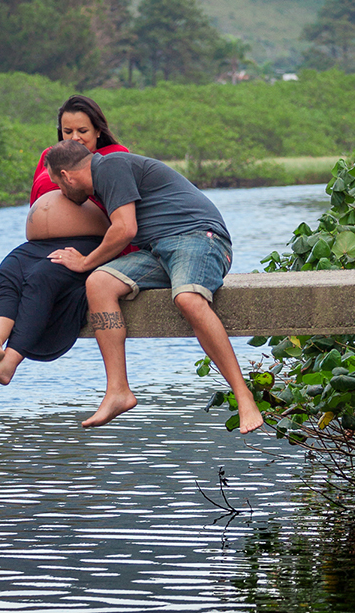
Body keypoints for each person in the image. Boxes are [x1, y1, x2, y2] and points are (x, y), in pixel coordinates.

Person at [43, 139, 265, 434]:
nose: (61, 192)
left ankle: (243, 395)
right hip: (158, 250)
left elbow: (125, 229)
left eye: (58, 185)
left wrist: (85, 262)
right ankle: (118, 391)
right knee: (98, 284)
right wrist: (91, 269)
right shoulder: (107, 176)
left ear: (66, 176)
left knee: (187, 298)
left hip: (199, 236)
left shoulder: (110, 165)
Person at [0, 96, 131, 385]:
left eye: (82, 131)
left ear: (98, 131)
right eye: (67, 131)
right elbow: (38, 199)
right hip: (40, 245)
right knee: (8, 273)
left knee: (43, 277)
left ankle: (10, 362)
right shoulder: (50, 156)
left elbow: (124, 214)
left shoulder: (113, 159)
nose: (75, 137)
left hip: (90, 244)